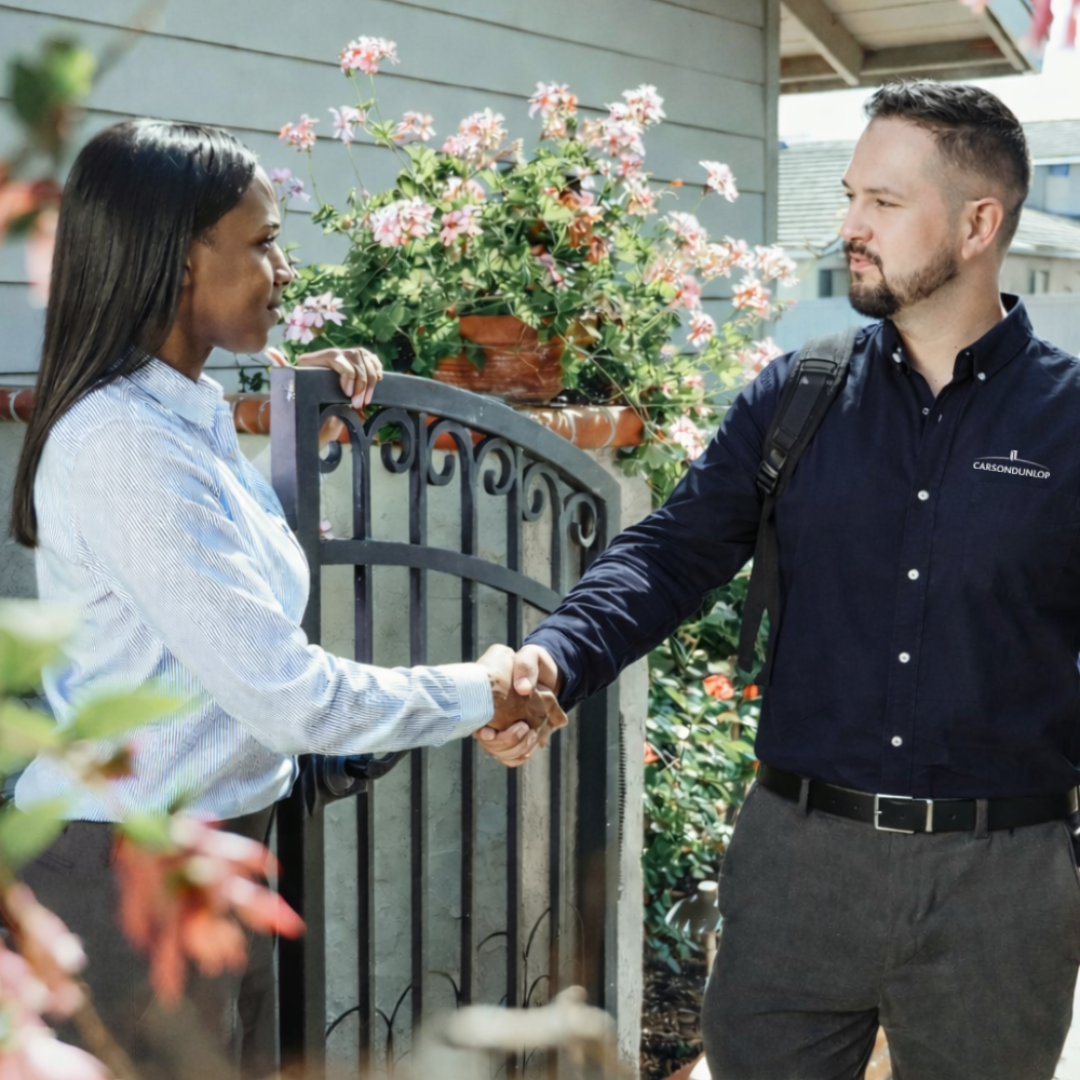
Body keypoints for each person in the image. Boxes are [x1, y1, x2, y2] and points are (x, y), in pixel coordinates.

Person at [503, 81, 1080, 1080]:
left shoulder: (1070, 423)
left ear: (981, 223)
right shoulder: (798, 397)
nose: (848, 225)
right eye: (852, 195)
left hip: (1003, 889)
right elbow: (669, 552)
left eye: (883, 204)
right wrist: (558, 656)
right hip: (797, 871)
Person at [7, 119, 560, 1079]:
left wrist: (303, 400)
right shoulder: (124, 445)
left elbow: (217, 594)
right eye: (261, 242)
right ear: (179, 260)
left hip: (205, 870)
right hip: (125, 893)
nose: (283, 266)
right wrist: (480, 688)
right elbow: (289, 695)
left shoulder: (184, 419)